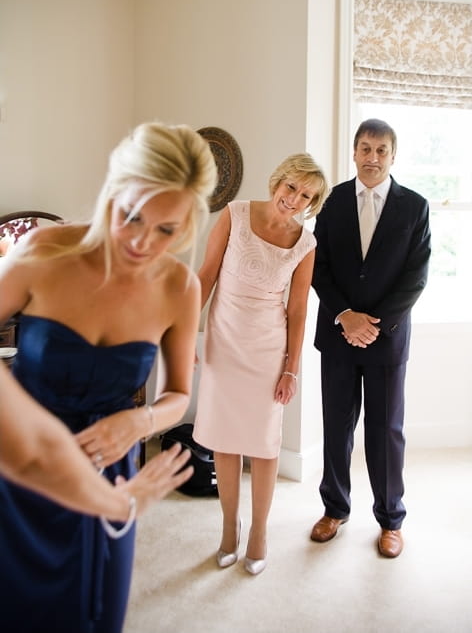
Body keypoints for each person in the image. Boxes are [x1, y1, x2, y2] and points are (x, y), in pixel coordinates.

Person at [0, 120, 217, 633]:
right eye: (133, 216)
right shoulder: (42, 251)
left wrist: (139, 423)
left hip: (109, 471)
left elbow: (178, 395)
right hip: (16, 462)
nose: (143, 242)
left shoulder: (178, 288)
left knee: (92, 613)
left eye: (167, 230)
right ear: (112, 190)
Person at [193, 153, 330, 575]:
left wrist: (291, 368)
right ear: (278, 180)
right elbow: (205, 277)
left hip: (268, 350)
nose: (294, 199)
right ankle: (229, 527)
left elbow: (298, 310)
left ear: (312, 204)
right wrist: (183, 338)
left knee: (265, 443)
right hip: (223, 341)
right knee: (223, 438)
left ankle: (259, 532)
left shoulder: (306, 244)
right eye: (292, 187)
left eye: (306, 195)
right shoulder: (234, 214)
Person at [310, 118, 431, 558]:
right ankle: (334, 509)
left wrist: (372, 323)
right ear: (355, 152)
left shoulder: (415, 207)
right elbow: (317, 266)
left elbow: (415, 278)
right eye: (365, 148)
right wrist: (345, 316)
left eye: (381, 150)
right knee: (336, 428)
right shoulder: (332, 200)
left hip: (387, 339)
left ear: (393, 156)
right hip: (338, 335)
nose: (372, 157)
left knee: (385, 432)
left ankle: (390, 519)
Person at [0, 360, 193, 518]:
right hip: (28, 451)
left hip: (113, 456)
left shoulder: (179, 311)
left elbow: (178, 393)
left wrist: (141, 420)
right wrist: (121, 505)